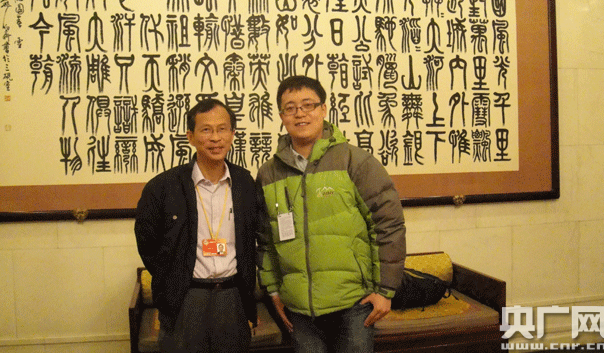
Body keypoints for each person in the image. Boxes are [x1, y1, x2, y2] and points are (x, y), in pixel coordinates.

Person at [256, 76, 407, 353]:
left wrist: (385, 290)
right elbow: (265, 239)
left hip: (354, 304)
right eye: (290, 108)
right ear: (281, 116)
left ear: (323, 109)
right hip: (298, 310)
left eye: (308, 105)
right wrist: (274, 291)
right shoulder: (269, 173)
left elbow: (388, 225)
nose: (300, 114)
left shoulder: (355, 161)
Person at [134, 98, 262, 353]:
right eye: (206, 130)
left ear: (232, 134)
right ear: (190, 137)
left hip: (232, 296)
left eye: (222, 129)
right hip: (186, 297)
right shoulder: (163, 187)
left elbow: (253, 239)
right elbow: (147, 244)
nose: (215, 138)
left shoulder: (245, 183)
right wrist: (172, 280)